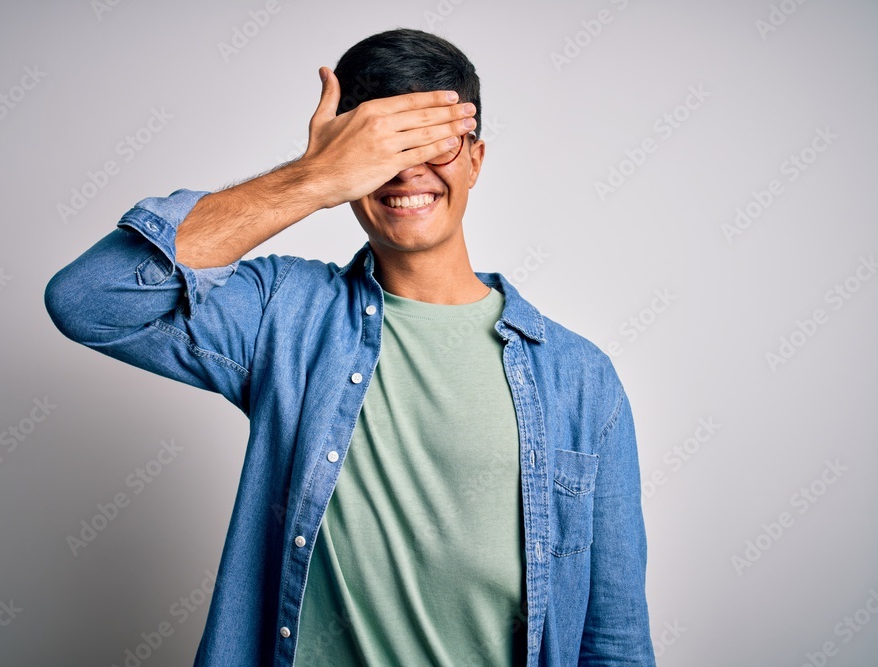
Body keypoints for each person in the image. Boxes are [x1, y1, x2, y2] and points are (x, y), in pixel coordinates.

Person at [44, 27, 656, 667]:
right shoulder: (287, 314)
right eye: (384, 146)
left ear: (476, 159)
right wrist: (311, 179)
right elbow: (90, 299)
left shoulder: (579, 378)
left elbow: (613, 639)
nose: (408, 169)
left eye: (434, 143)